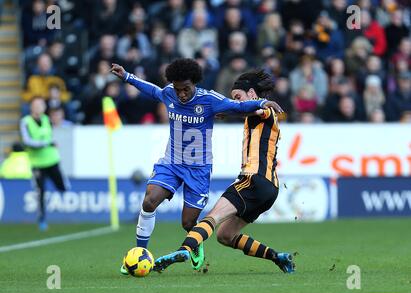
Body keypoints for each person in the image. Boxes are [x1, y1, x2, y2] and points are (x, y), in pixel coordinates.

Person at [110, 58, 283, 274]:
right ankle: (138, 254)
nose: (181, 94)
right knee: (149, 201)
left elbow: (237, 107)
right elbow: (152, 90)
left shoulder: (209, 99)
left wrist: (260, 103)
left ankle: (196, 244)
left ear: (195, 83)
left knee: (188, 222)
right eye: (178, 89)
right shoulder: (169, 93)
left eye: (186, 89)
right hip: (171, 162)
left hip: (199, 169)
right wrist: (128, 76)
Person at [152, 69, 295, 274]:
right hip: (270, 189)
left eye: (238, 97)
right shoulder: (256, 118)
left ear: (253, 94)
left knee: (212, 217)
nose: (235, 101)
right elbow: (244, 111)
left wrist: (240, 108)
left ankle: (185, 250)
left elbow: (256, 110)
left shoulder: (265, 111)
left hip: (253, 180)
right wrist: (226, 111)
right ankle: (278, 258)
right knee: (225, 235)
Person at [19, 97, 70, 231]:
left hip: (52, 160)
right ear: (31, 107)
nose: (39, 107)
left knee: (63, 187)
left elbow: (50, 135)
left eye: (41, 105)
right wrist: (47, 143)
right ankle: (42, 220)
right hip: (37, 163)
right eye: (36, 105)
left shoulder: (47, 119)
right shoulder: (26, 122)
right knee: (40, 192)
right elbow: (27, 141)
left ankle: (66, 213)